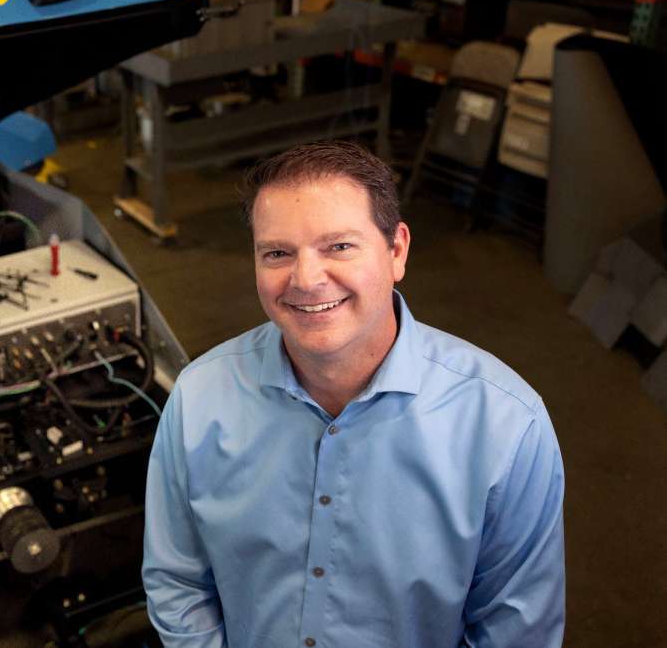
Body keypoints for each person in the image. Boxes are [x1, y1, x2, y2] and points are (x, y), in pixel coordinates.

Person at [142, 141, 565, 648]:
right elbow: (177, 581)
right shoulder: (198, 399)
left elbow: (517, 630)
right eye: (277, 252)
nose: (306, 279)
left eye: (338, 246)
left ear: (397, 251)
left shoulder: (506, 424)